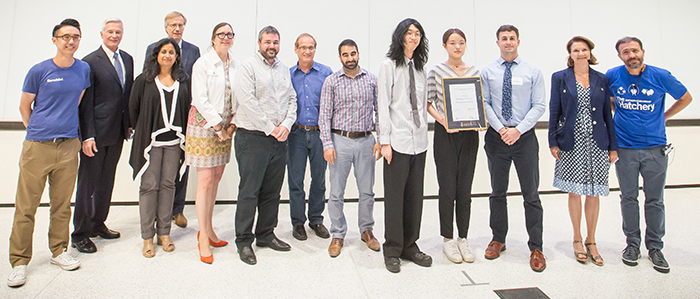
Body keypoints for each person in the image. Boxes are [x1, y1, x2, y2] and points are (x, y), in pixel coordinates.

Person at [8, 18, 89, 288]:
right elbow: (24, 107)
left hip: (68, 146)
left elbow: (76, 102)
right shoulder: (39, 70)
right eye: (65, 36)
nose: (71, 41)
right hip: (38, 147)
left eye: (76, 36)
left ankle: (59, 251)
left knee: (62, 205)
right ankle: (19, 262)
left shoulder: (83, 69)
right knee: (26, 208)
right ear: (55, 40)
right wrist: (39, 132)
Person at [607, 36, 692, 273]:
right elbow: (610, 100)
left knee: (655, 199)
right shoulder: (613, 75)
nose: (631, 55)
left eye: (634, 50)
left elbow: (685, 97)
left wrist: (663, 117)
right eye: (626, 52)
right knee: (629, 198)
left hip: (655, 147)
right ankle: (632, 245)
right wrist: (620, 113)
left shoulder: (660, 75)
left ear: (642, 51)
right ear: (620, 56)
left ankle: (655, 248)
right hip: (625, 148)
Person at [481, 25, 547, 272]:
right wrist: (502, 129)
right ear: (497, 42)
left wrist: (518, 130)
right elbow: (485, 103)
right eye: (503, 39)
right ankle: (498, 239)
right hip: (497, 137)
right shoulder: (487, 72)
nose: (508, 42)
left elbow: (539, 105)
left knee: (531, 194)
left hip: (525, 138)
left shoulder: (533, 71)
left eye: (512, 38)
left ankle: (536, 247)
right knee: (498, 192)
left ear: (518, 41)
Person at [548, 36, 617, 266]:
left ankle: (591, 240)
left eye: (584, 49)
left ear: (590, 52)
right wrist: (553, 141)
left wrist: (613, 146)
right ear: (570, 54)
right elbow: (554, 110)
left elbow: (608, 114)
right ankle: (577, 238)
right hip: (571, 141)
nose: (580, 53)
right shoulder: (560, 78)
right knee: (574, 191)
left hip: (597, 142)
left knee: (594, 192)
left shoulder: (602, 79)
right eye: (575, 50)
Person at [232, 25, 296, 265]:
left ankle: (266, 234)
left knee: (272, 191)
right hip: (253, 138)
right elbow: (247, 102)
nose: (272, 46)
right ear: (259, 43)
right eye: (268, 42)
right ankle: (244, 241)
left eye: (276, 42)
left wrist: (287, 125)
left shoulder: (283, 69)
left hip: (279, 139)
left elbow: (292, 98)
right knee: (250, 191)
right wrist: (272, 128)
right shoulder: (248, 67)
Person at [71, 18, 134, 254]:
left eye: (118, 31)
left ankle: (98, 223)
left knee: (106, 182)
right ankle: (80, 233)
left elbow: (125, 95)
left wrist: (128, 125)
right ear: (101, 34)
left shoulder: (127, 59)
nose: (114, 35)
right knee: (88, 184)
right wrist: (87, 136)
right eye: (110, 31)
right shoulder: (89, 62)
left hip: (117, 133)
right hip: (95, 136)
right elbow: (85, 105)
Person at [319, 39, 382, 258]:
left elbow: (379, 112)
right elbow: (324, 116)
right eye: (345, 55)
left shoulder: (371, 80)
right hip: (340, 141)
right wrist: (327, 144)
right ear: (340, 58)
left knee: (367, 191)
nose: (350, 58)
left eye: (353, 53)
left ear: (358, 54)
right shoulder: (332, 81)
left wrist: (380, 140)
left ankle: (367, 230)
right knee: (336, 192)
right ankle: (338, 234)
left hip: (366, 141)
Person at [378, 18, 431, 273]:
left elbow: (421, 104)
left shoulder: (421, 67)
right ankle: (392, 248)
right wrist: (384, 142)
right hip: (396, 143)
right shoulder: (388, 66)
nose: (414, 37)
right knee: (395, 198)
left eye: (418, 33)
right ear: (400, 37)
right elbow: (383, 106)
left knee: (415, 197)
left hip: (419, 143)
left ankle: (410, 245)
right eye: (409, 33)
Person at [129, 38, 190, 259]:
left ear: (176, 57)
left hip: (174, 144)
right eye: (164, 52)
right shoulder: (144, 81)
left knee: (168, 186)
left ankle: (164, 233)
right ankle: (147, 236)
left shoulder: (183, 81)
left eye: (171, 52)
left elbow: (187, 108)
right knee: (149, 187)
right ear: (157, 55)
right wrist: (144, 130)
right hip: (150, 145)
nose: (167, 55)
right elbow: (133, 111)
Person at [426, 28, 480, 264]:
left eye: (461, 43)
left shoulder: (475, 71)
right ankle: (448, 238)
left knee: (465, 189)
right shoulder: (436, 71)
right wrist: (443, 121)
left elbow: (480, 101)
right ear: (445, 46)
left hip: (470, 135)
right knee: (447, 188)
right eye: (452, 43)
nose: (457, 47)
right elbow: (428, 104)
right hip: (445, 134)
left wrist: (479, 119)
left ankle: (463, 237)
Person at [187, 22, 239, 264]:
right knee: (205, 180)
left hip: (226, 129)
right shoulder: (203, 63)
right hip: (205, 126)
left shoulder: (236, 64)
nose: (226, 38)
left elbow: (239, 97)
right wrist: (218, 126)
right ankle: (203, 239)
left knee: (216, 177)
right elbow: (199, 98)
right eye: (222, 34)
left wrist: (230, 126)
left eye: (229, 34)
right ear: (213, 38)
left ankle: (208, 230)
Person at [145, 11, 201, 229]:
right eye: (173, 25)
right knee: (158, 166)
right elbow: (147, 77)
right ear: (166, 28)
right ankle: (158, 209)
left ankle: (177, 210)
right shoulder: (153, 48)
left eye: (180, 25)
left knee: (182, 164)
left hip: (184, 114)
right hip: (160, 115)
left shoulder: (193, 50)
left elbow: (195, 82)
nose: (177, 28)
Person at [288, 33, 333, 241]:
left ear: (315, 49)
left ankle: (316, 219)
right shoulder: (287, 75)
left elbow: (333, 105)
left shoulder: (326, 73)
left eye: (311, 47)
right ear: (296, 49)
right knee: (296, 181)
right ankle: (298, 223)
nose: (307, 51)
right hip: (295, 134)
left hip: (319, 134)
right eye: (303, 47)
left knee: (319, 180)